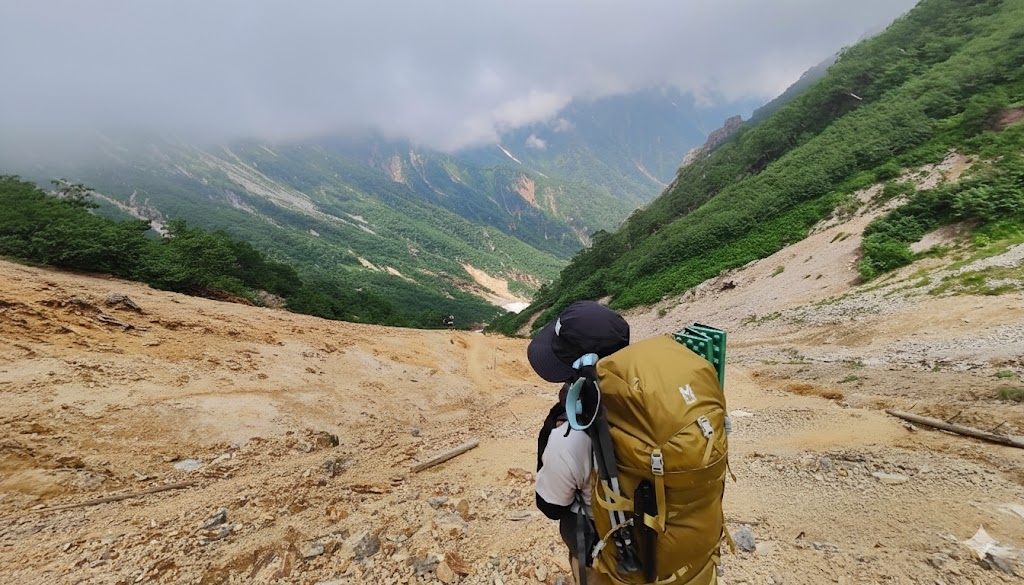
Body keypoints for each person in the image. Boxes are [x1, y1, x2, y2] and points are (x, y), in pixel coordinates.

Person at [527, 301, 629, 585]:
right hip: (671, 536)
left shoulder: (569, 438)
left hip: (608, 545)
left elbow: (551, 507)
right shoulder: (667, 406)